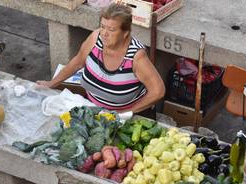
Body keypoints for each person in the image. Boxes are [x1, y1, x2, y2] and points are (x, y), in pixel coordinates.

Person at [37, 3, 165, 114]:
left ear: (125, 33)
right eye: (103, 26)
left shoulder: (136, 57)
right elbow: (78, 62)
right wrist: (51, 83)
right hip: (92, 108)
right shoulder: (95, 37)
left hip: (124, 117)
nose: (104, 33)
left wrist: (124, 113)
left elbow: (158, 91)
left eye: (111, 29)